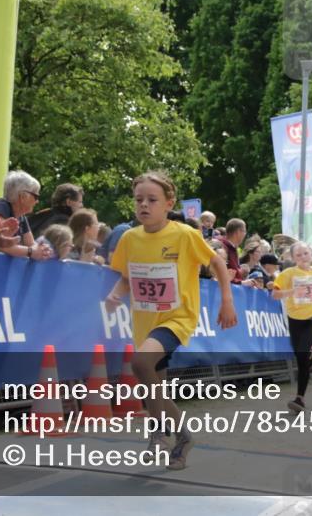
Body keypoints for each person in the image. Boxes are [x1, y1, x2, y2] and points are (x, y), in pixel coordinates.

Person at [104, 171, 237, 470]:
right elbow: (128, 277)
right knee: (157, 392)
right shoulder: (129, 238)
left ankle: (158, 433)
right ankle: (184, 437)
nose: (144, 206)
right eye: (139, 200)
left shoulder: (184, 234)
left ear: (169, 203)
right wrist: (115, 295)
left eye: (152, 200)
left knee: (139, 363)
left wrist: (227, 300)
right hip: (144, 322)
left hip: (178, 317)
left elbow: (216, 261)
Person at [272, 241, 312, 414]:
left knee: (302, 355)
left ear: (311, 254)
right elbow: (275, 294)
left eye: (305, 253)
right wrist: (292, 292)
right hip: (294, 318)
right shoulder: (288, 274)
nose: (303, 257)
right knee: (300, 356)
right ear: (293, 258)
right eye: (298, 255)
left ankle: (300, 398)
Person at [0, 170, 51, 260]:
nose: (37, 201)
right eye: (36, 196)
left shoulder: (21, 216)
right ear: (22, 196)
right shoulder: (1, 207)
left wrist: (43, 250)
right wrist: (30, 251)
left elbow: (31, 244)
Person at [221, 218, 246, 284]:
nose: (245, 234)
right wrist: (241, 283)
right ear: (238, 232)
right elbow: (221, 273)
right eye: (244, 231)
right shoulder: (223, 247)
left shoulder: (233, 248)